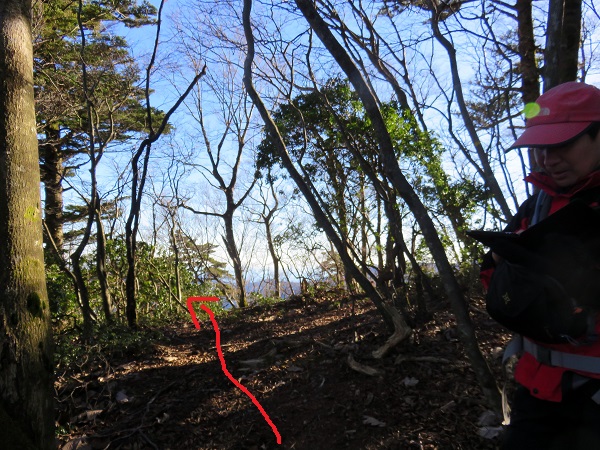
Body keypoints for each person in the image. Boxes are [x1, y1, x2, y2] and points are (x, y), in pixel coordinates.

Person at [479, 81, 600, 449]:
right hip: (538, 390)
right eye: (540, 147)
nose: (548, 159)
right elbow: (489, 277)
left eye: (562, 143)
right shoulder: (538, 207)